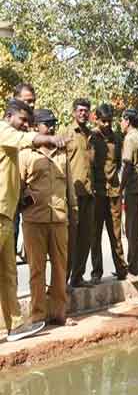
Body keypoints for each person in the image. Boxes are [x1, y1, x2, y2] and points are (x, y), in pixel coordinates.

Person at [1, 99, 66, 342]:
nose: (25, 125)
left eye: (29, 121)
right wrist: (50, 139)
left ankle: (15, 326)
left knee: (8, 274)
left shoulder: (12, 141)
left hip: (7, 214)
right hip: (2, 213)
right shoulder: (4, 131)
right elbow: (25, 139)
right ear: (9, 116)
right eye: (23, 120)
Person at [19, 109, 76, 327]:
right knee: (37, 270)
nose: (51, 127)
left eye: (53, 123)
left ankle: (59, 313)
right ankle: (38, 315)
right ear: (36, 127)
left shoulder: (62, 154)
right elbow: (18, 186)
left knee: (61, 268)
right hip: (34, 220)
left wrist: (74, 211)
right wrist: (25, 201)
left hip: (59, 219)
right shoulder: (26, 154)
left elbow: (69, 186)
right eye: (46, 124)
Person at [61, 98, 96, 288]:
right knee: (69, 241)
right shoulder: (66, 133)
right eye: (80, 110)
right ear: (74, 112)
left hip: (89, 194)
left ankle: (78, 277)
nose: (83, 113)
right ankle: (62, 281)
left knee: (85, 238)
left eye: (86, 110)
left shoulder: (90, 135)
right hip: (72, 195)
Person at [90, 104, 127, 283]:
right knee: (95, 234)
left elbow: (118, 163)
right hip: (96, 193)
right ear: (96, 119)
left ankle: (121, 269)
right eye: (103, 121)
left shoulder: (117, 139)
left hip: (113, 192)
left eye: (109, 121)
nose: (106, 124)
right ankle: (96, 272)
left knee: (116, 233)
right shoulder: (91, 138)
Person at [120, 109, 138, 276]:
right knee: (136, 227)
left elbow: (127, 165)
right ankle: (137, 265)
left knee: (132, 228)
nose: (120, 123)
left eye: (122, 120)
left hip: (135, 186)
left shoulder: (130, 138)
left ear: (127, 121)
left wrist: (120, 188)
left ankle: (133, 266)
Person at [12, 84, 36, 259]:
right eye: (28, 101)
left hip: (28, 193)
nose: (32, 105)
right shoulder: (6, 127)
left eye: (33, 101)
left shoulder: (33, 125)